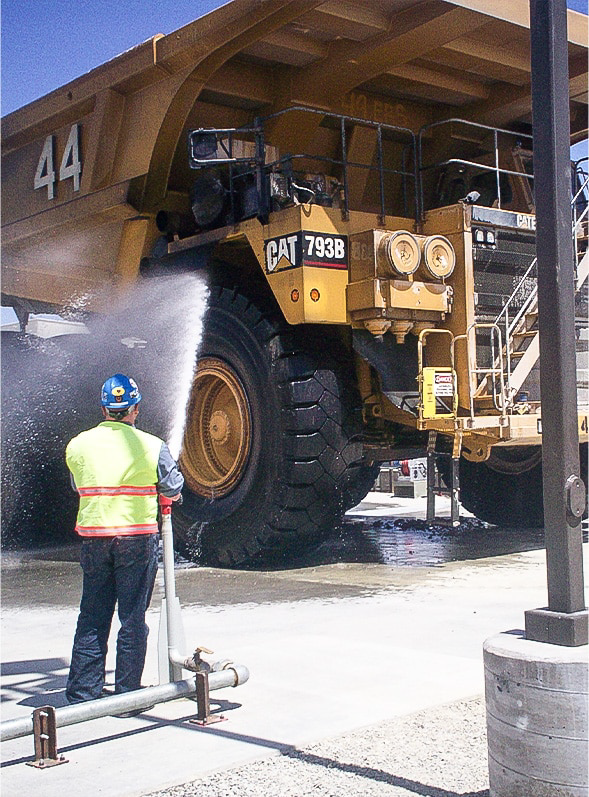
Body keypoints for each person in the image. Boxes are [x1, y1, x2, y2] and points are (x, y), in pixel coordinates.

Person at [65, 374, 183, 706]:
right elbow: (173, 488)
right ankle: (127, 696)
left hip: (94, 539)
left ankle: (82, 695)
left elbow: (78, 485)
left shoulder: (78, 445)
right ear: (134, 409)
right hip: (136, 539)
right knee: (132, 617)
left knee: (92, 615)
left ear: (105, 409)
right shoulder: (152, 446)